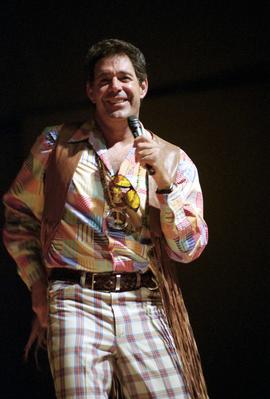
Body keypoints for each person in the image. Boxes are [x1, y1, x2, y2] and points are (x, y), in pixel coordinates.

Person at [3, 39, 209, 399]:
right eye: (104, 80)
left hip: (142, 300)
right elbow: (18, 216)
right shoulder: (57, 145)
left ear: (142, 86)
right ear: (91, 90)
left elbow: (187, 249)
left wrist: (163, 184)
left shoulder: (172, 160)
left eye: (125, 78)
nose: (115, 87)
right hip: (74, 297)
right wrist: (37, 286)